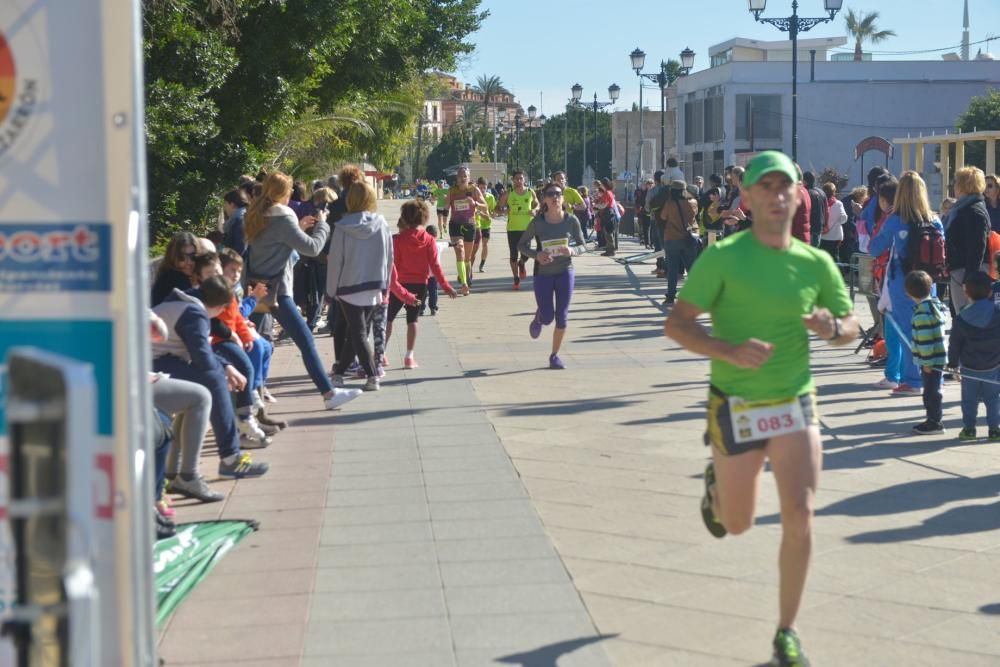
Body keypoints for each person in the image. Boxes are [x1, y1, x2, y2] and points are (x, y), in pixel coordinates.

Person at [663, 150, 859, 667]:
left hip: (796, 403)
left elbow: (851, 326)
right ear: (747, 198)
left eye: (785, 187)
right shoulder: (724, 256)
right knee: (739, 522)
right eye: (765, 188)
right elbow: (678, 324)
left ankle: (786, 632)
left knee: (800, 514)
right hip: (737, 403)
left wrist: (832, 329)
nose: (776, 196)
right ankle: (716, 490)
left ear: (798, 196)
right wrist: (727, 350)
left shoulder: (815, 262)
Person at [245, 171, 362, 410]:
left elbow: (272, 244)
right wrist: (324, 225)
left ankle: (247, 397)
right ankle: (329, 394)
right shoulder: (282, 218)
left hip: (257, 288)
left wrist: (297, 227)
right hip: (277, 291)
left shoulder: (257, 214)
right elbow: (312, 248)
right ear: (283, 193)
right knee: (306, 341)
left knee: (247, 342)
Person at [153, 275, 272, 479]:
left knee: (214, 378)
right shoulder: (194, 314)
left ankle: (177, 470)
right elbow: (202, 359)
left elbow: (199, 351)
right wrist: (224, 371)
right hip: (152, 363)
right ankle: (230, 459)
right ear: (223, 306)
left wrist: (225, 366)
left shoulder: (188, 302)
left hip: (159, 358)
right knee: (214, 382)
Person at [870, 173, 942, 396]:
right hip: (929, 282)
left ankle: (913, 380)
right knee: (930, 330)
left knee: (907, 331)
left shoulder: (895, 219)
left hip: (902, 282)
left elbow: (874, 248)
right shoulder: (935, 220)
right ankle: (933, 378)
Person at [327, 181, 394, 391]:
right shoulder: (382, 224)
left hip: (349, 285)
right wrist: (386, 284)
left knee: (357, 332)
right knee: (358, 333)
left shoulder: (342, 227)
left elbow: (336, 260)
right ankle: (339, 373)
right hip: (375, 284)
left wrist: (330, 291)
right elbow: (389, 256)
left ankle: (373, 375)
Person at [518, 183, 587, 370]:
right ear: (545, 199)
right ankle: (540, 316)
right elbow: (521, 245)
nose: (555, 197)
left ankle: (554, 355)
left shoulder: (571, 221)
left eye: (558, 194)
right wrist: (536, 255)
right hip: (543, 274)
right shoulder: (537, 223)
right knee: (548, 317)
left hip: (565, 271)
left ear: (563, 198)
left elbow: (583, 245)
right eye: (550, 194)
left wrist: (572, 250)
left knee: (562, 317)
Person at [387, 201, 457, 368]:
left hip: (398, 286)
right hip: (420, 287)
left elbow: (392, 265)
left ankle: (381, 354)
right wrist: (446, 286)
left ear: (405, 217)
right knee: (413, 320)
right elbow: (435, 266)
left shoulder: (397, 240)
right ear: (423, 217)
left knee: (388, 319)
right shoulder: (429, 240)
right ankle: (409, 357)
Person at [948, 271, 1000, 442]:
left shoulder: (961, 317)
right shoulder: (997, 313)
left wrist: (953, 364)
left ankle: (969, 429)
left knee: (969, 400)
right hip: (993, 365)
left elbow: (955, 343)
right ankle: (994, 429)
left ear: (966, 292)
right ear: (990, 292)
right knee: (993, 399)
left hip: (969, 366)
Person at [904, 270, 947, 434]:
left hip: (930, 360)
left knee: (930, 393)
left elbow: (926, 340)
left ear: (908, 292)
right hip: (938, 357)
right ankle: (933, 419)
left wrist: (927, 362)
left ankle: (934, 422)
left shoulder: (922, 313)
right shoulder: (934, 305)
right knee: (932, 390)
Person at [945, 166, 991, 312]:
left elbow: (978, 246)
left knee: (966, 317)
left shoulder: (972, 210)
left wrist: (969, 279)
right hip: (963, 270)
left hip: (966, 272)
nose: (953, 186)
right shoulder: (967, 207)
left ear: (963, 185)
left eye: (955, 182)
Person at [660, 180, 700, 305]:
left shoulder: (669, 203)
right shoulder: (693, 203)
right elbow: (694, 216)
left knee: (672, 270)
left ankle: (671, 296)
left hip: (672, 238)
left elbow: (663, 216)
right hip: (688, 239)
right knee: (691, 268)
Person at [447, 167, 485, 294]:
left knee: (467, 258)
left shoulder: (474, 190)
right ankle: (464, 284)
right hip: (455, 225)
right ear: (456, 178)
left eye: (465, 176)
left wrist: (475, 203)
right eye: (460, 176)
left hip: (469, 225)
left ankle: (466, 276)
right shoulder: (452, 191)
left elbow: (485, 206)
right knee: (460, 252)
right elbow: (445, 206)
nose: (463, 178)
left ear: (469, 178)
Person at [497, 170, 538, 290]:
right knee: (513, 255)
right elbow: (498, 208)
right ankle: (516, 278)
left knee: (526, 254)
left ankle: (522, 263)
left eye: (521, 178)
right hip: (512, 228)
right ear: (513, 180)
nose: (519, 181)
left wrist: (535, 210)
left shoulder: (530, 192)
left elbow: (538, 204)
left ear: (524, 179)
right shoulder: (508, 194)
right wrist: (504, 210)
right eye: (516, 179)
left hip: (527, 229)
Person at [151, 232, 198, 306]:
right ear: (172, 258)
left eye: (192, 256)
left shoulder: (193, 278)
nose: (189, 262)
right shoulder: (172, 278)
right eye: (181, 257)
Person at [473, 176, 496, 273]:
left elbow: (491, 214)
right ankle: (469, 266)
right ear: (477, 187)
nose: (482, 190)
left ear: (487, 187)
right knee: (473, 247)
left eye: (484, 188)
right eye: (480, 187)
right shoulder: (473, 197)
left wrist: (482, 213)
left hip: (486, 225)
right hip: (474, 225)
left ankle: (482, 264)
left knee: (485, 244)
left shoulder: (490, 197)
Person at [818, 182, 846, 262]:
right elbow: (844, 219)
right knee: (835, 257)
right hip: (835, 236)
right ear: (834, 192)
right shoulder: (838, 204)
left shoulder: (820, 203)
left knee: (822, 258)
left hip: (823, 235)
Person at [802, 171, 827, 248]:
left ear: (804, 181)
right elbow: (826, 210)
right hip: (819, 227)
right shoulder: (822, 192)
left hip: (808, 228)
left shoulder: (804, 192)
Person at [222, 189, 250, 256]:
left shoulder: (239, 222)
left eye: (225, 204)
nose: (225, 208)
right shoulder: (245, 217)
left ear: (232, 205)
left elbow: (239, 250)